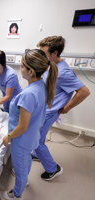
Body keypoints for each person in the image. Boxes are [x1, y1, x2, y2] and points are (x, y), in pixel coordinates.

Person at [0, 49, 58, 199]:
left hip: (22, 139)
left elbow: (22, 127)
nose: (20, 68)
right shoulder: (41, 85)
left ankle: (16, 194)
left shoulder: (29, 95)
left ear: (31, 71)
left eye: (22, 66)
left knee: (20, 168)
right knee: (25, 162)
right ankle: (24, 179)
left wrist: (9, 137)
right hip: (32, 136)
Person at [31, 36, 90, 181]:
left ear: (55, 53)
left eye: (43, 52)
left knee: (37, 140)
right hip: (44, 109)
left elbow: (84, 92)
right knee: (40, 136)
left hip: (50, 112)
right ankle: (38, 154)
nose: (41, 55)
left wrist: (67, 108)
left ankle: (53, 169)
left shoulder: (64, 72)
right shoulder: (50, 64)